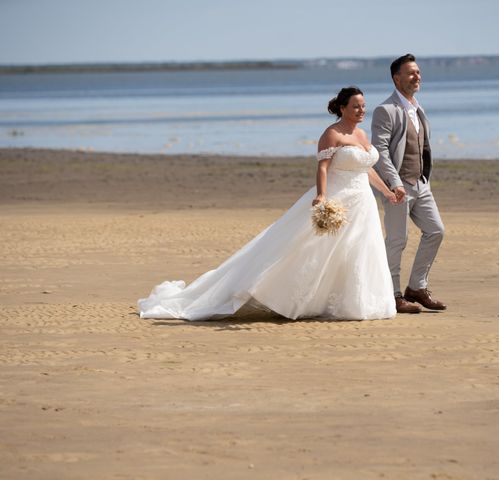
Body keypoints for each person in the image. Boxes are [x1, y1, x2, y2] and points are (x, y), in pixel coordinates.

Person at [139, 86, 399, 321]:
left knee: (359, 249)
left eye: (364, 106)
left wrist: (386, 192)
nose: (361, 110)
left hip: (363, 202)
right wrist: (321, 196)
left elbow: (366, 168)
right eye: (356, 106)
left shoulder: (363, 134)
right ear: (342, 108)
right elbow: (322, 168)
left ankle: (355, 302)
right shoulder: (331, 134)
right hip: (338, 197)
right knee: (309, 248)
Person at [371, 54, 447, 314]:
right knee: (397, 240)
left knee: (436, 230)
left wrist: (423, 177)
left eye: (418, 72)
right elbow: (379, 150)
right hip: (397, 186)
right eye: (411, 73)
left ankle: (416, 287)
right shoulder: (385, 110)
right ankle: (391, 295)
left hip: (421, 184)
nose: (417, 77)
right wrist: (394, 182)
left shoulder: (417, 107)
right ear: (396, 78)